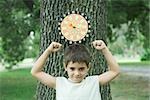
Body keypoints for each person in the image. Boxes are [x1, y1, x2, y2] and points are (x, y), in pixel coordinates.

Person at [31, 40, 120, 100]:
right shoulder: (59, 83)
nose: (77, 73)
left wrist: (104, 49)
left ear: (88, 67)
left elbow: (114, 71)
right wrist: (48, 51)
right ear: (65, 67)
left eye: (81, 69)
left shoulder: (94, 82)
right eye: (72, 69)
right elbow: (36, 72)